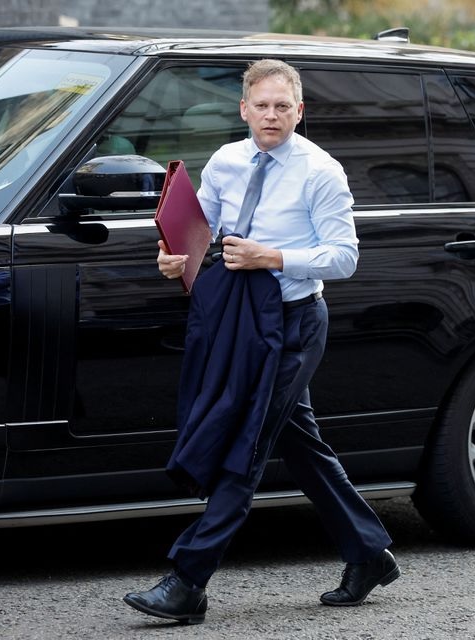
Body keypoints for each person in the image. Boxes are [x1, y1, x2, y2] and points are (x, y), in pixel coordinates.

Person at [123, 59, 398, 625]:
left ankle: (187, 581)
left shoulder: (322, 171)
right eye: (261, 105)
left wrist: (270, 257)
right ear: (243, 108)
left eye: (282, 106)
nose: (271, 115)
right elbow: (204, 237)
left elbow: (344, 258)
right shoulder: (226, 161)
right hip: (240, 322)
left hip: (295, 323)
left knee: (245, 445)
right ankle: (369, 552)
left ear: (300, 111)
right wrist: (174, 260)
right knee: (298, 443)